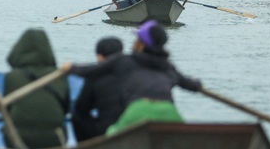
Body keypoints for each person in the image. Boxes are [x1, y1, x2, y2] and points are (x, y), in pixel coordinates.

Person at [61, 20, 202, 137]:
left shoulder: (124, 61)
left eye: (137, 39)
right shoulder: (168, 67)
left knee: (111, 135)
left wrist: (71, 68)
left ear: (141, 44)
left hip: (138, 109)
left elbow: (91, 70)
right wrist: (197, 83)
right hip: (169, 111)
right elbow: (192, 85)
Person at [2, 29, 70, 149]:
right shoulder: (59, 75)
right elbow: (65, 109)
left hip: (18, 140)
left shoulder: (12, 77)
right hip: (55, 139)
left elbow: (7, 112)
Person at [71, 37, 125, 142]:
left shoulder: (95, 76)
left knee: (77, 117)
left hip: (104, 131)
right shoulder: (133, 74)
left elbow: (81, 108)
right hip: (132, 128)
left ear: (99, 57)